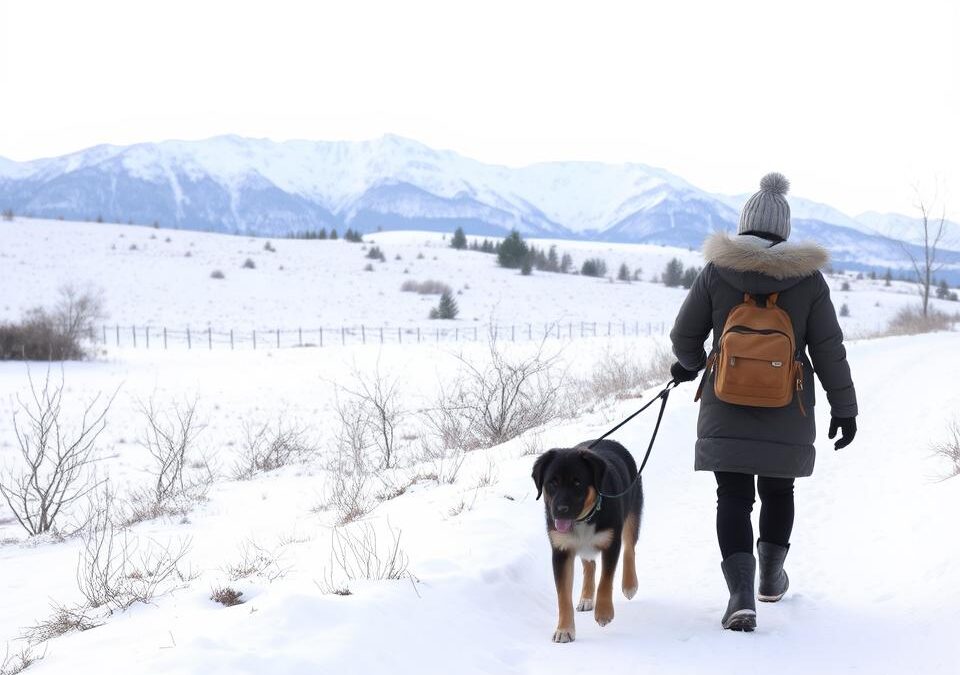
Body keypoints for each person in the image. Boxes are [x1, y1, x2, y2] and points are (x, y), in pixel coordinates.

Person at [668, 173, 858, 631]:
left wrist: (691, 363)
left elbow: (684, 335)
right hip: (787, 407)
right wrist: (844, 408)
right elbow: (828, 349)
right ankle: (771, 579)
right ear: (784, 229)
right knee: (779, 489)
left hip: (724, 402)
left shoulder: (716, 271)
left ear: (744, 223)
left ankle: (740, 594)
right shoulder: (809, 281)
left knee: (732, 494)